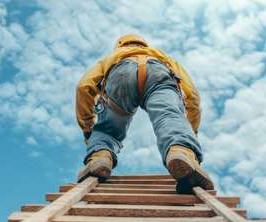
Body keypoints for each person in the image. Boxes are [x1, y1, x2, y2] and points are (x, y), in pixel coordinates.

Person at [76, 33, 213, 194]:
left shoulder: (110, 58)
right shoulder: (163, 56)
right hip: (158, 69)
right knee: (169, 116)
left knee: (108, 130)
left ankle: (100, 157)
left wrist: (88, 129)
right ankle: (181, 151)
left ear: (120, 46)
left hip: (119, 72)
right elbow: (193, 97)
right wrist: (191, 131)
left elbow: (83, 87)